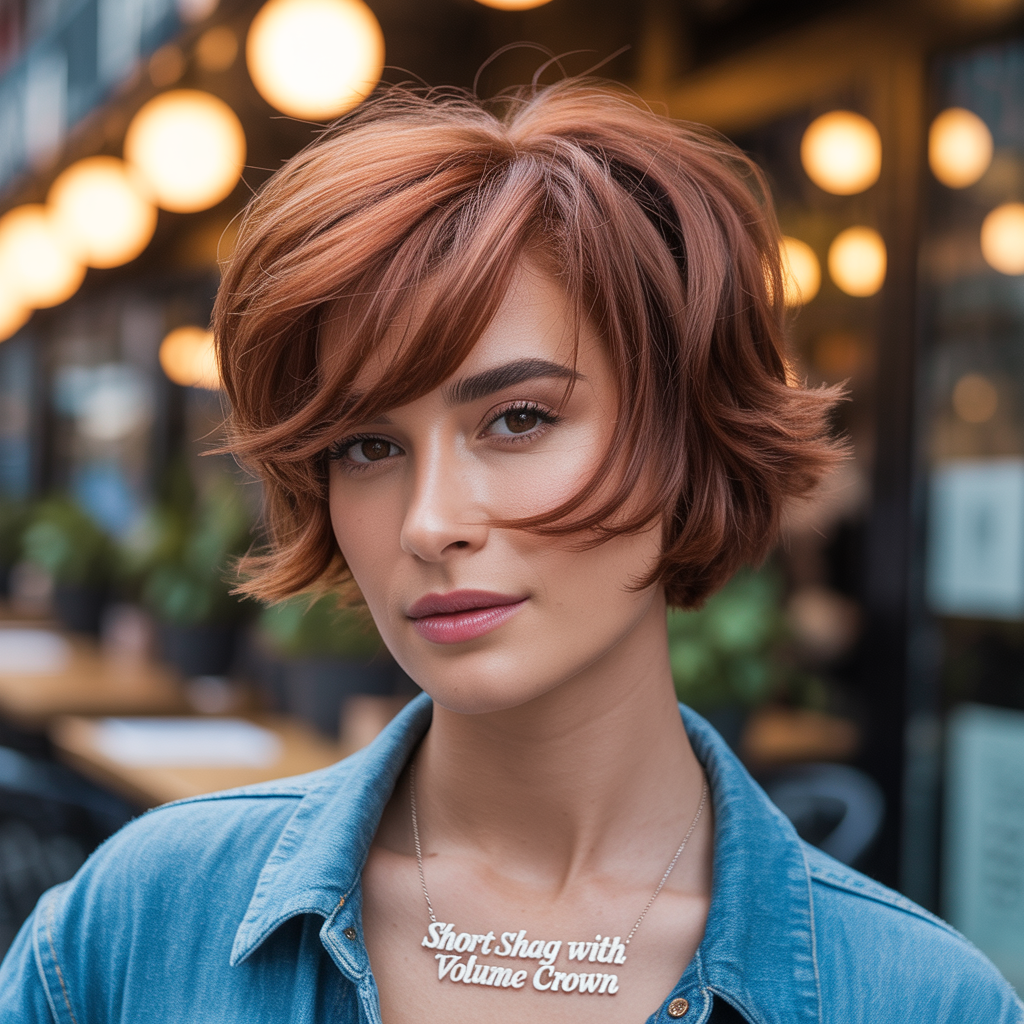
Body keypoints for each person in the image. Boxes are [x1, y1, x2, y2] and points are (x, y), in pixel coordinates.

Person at [1, 80, 1020, 1024]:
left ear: (684, 435)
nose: (427, 519)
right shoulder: (135, 930)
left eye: (519, 418)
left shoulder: (911, 999)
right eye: (368, 445)